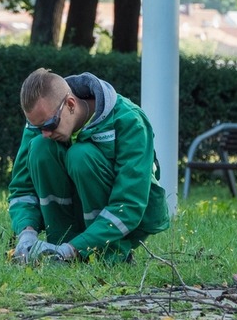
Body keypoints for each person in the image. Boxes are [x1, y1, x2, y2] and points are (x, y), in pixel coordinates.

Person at [9, 68, 170, 264]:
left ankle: (110, 254)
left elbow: (130, 204)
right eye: (37, 127)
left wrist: (74, 249)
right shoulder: (43, 121)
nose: (44, 132)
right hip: (68, 233)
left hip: (126, 221)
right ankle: (60, 249)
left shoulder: (130, 120)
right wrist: (27, 232)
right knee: (41, 148)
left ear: (70, 104)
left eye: (49, 125)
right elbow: (22, 190)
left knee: (81, 156)